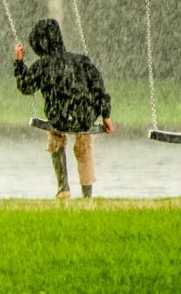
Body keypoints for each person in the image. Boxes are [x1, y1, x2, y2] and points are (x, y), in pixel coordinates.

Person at [14, 18, 113, 199]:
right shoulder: (82, 61)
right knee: (84, 143)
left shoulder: (43, 66)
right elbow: (99, 87)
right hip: (84, 117)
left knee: (55, 136)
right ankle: (87, 194)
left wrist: (19, 63)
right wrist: (106, 115)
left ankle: (63, 188)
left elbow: (25, 87)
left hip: (59, 116)